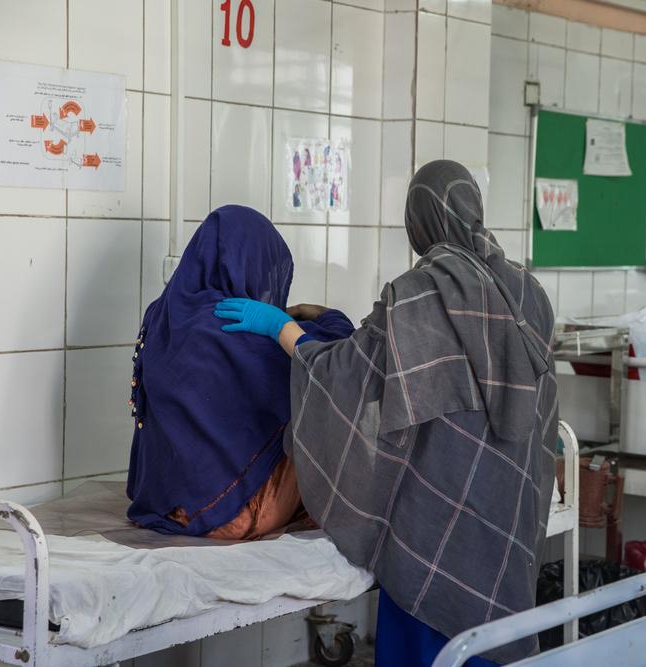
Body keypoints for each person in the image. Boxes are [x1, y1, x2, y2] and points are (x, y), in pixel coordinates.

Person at [214, 160, 558, 665]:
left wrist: (281, 330)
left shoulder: (418, 294)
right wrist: (326, 319)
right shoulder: (530, 294)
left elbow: (350, 376)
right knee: (488, 645)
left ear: (417, 223)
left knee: (430, 646)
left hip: (437, 522)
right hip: (508, 510)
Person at [126, 205, 354, 539]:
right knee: (324, 404)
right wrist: (320, 314)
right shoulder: (235, 322)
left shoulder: (162, 315)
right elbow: (336, 359)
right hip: (227, 513)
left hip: (164, 503)